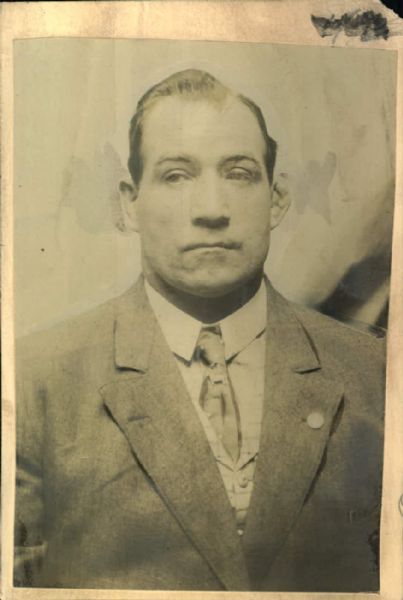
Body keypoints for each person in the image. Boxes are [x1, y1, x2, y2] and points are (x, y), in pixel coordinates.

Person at [14, 69, 385, 592]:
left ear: (277, 199)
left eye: (238, 173)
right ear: (129, 202)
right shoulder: (36, 381)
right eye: (176, 175)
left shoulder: (374, 374)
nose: (211, 211)